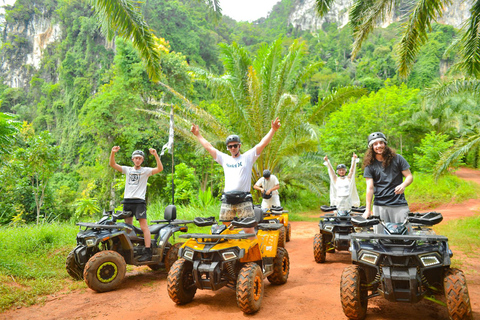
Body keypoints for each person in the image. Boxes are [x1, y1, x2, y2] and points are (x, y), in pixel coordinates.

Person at [190, 118, 281, 235]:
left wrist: (273, 130)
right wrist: (198, 135)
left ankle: (254, 253)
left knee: (248, 229)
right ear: (227, 148)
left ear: (239, 146)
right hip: (227, 199)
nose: (233, 148)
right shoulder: (224, 158)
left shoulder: (248, 157)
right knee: (225, 229)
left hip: (244, 198)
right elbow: (209, 147)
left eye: (235, 146)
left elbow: (262, 143)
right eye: (230, 146)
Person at [109, 147, 163, 262]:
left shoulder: (146, 171)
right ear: (132, 159)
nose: (137, 160)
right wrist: (113, 152)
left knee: (144, 227)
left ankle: (148, 250)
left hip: (139, 202)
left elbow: (160, 168)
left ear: (142, 160)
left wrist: (155, 155)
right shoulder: (127, 170)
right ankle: (131, 249)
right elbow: (112, 164)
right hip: (127, 201)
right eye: (136, 158)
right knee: (128, 227)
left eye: (140, 158)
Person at [361, 132, 413, 233]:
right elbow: (370, 188)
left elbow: (409, 176)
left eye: (381, 143)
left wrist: (403, 185)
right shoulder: (369, 166)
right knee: (380, 239)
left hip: (399, 204)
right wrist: (367, 209)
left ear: (385, 144)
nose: (379, 146)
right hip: (380, 206)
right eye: (375, 144)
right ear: (371, 147)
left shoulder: (398, 159)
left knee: (406, 235)